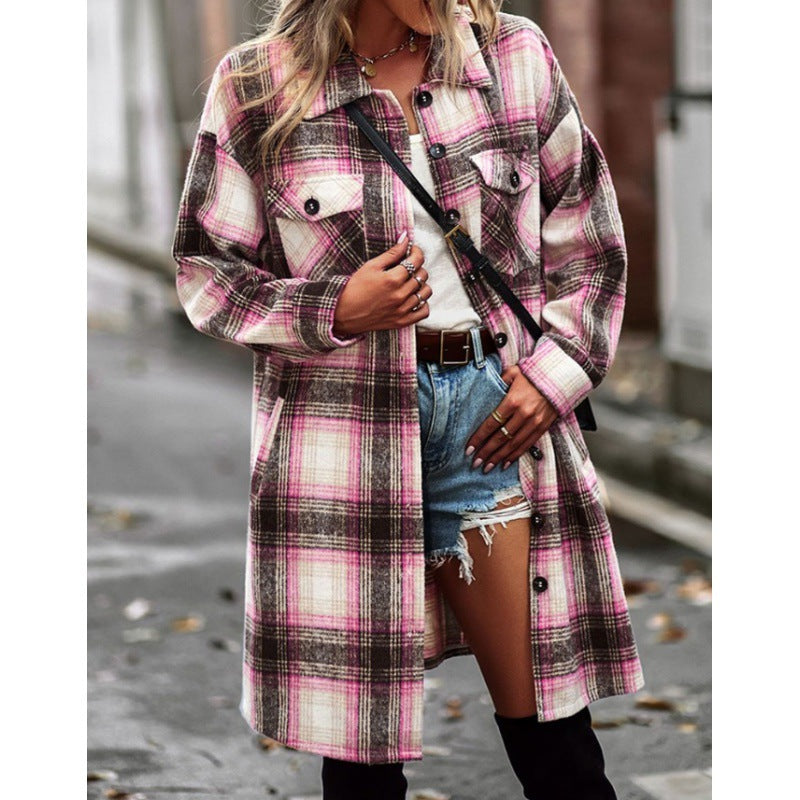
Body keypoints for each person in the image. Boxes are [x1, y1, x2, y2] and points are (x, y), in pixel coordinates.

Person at [171, 1, 646, 798]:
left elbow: (590, 243)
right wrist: (334, 307)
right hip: (340, 441)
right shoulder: (257, 86)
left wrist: (555, 376)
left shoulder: (513, 57)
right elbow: (205, 273)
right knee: (362, 754)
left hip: (489, 419)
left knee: (553, 736)